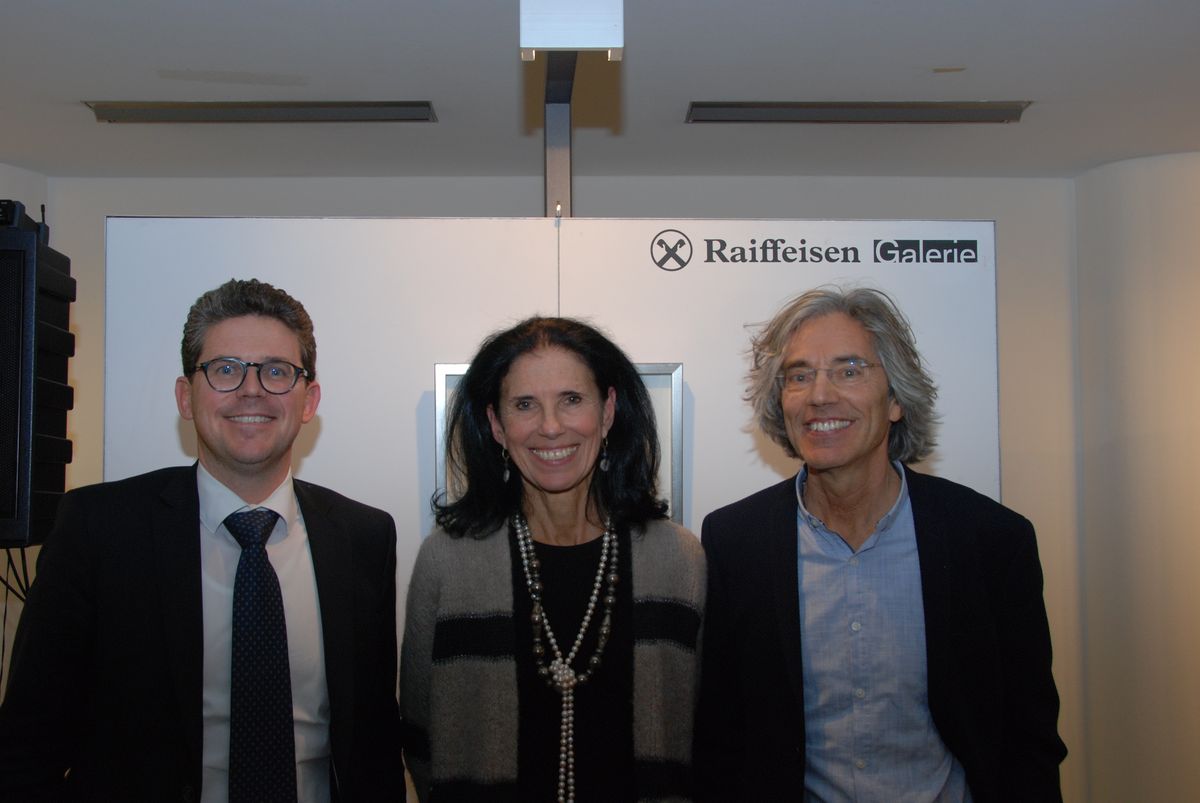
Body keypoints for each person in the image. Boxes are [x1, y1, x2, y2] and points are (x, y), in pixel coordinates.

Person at [0, 279, 402, 802]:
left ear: (309, 401)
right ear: (186, 397)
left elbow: (375, 745)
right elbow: (26, 749)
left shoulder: (364, 538)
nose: (252, 389)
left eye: (277, 371)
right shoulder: (97, 529)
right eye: (225, 370)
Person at [694, 287, 1067, 802]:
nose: (820, 395)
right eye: (799, 376)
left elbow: (1029, 741)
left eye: (849, 371)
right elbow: (720, 739)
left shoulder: (991, 541)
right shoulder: (735, 542)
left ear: (895, 400)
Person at [402, 317, 705, 802]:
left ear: (608, 411)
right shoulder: (446, 561)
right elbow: (421, 736)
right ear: (496, 425)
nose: (550, 426)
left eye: (572, 399)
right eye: (525, 405)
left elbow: (706, 734)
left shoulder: (678, 560)